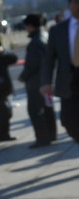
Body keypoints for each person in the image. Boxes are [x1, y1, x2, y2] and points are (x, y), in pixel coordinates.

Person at [41, 0, 79, 199]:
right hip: (70, 91)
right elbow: (50, 59)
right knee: (68, 121)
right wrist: (46, 82)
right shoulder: (59, 30)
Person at [19, 13, 56, 148]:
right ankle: (51, 135)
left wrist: (23, 76)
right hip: (45, 81)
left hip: (36, 84)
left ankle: (42, 138)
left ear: (30, 26)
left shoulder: (36, 42)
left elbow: (33, 64)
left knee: (35, 111)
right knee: (47, 109)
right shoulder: (45, 36)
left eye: (26, 26)